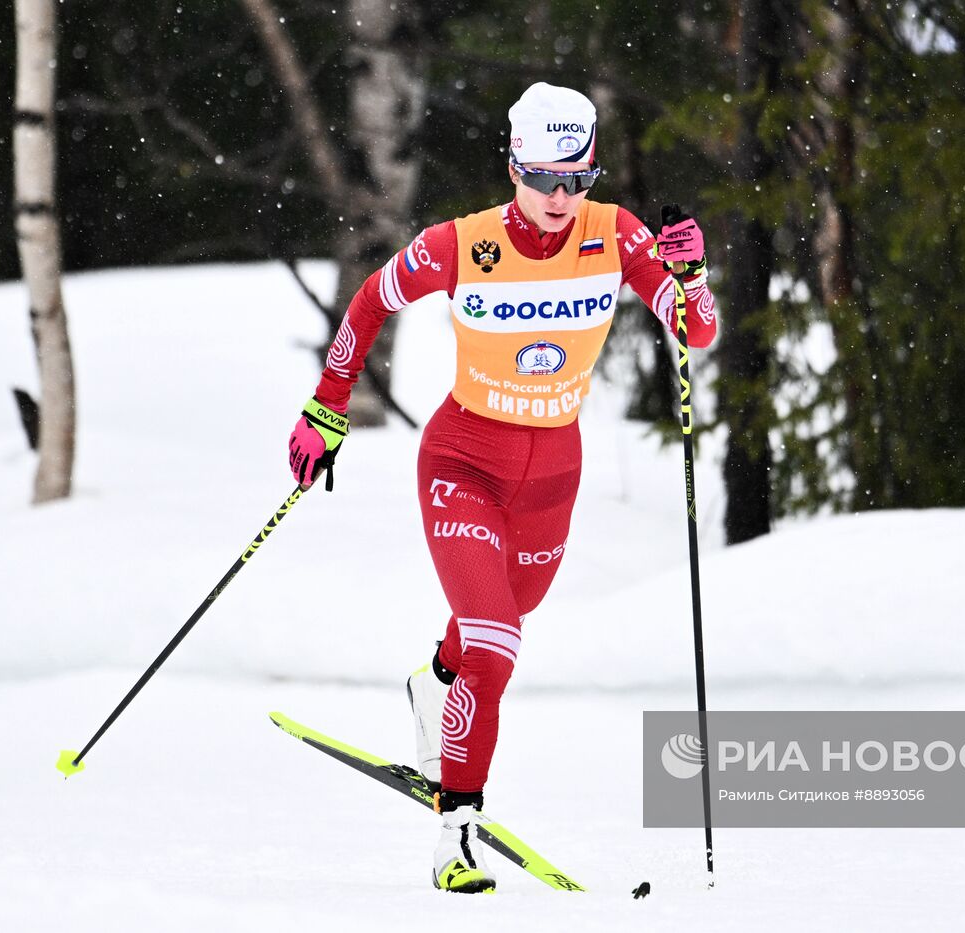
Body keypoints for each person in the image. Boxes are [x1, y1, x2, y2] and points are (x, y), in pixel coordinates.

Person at [286, 83, 718, 893]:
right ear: (515, 168)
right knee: (494, 646)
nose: (560, 198)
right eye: (545, 178)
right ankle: (457, 833)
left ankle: (433, 683)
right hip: (463, 462)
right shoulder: (464, 244)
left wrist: (690, 276)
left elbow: (696, 330)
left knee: (501, 625)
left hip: (553, 475)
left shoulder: (617, 234)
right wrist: (328, 404)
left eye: (577, 179)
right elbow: (371, 300)